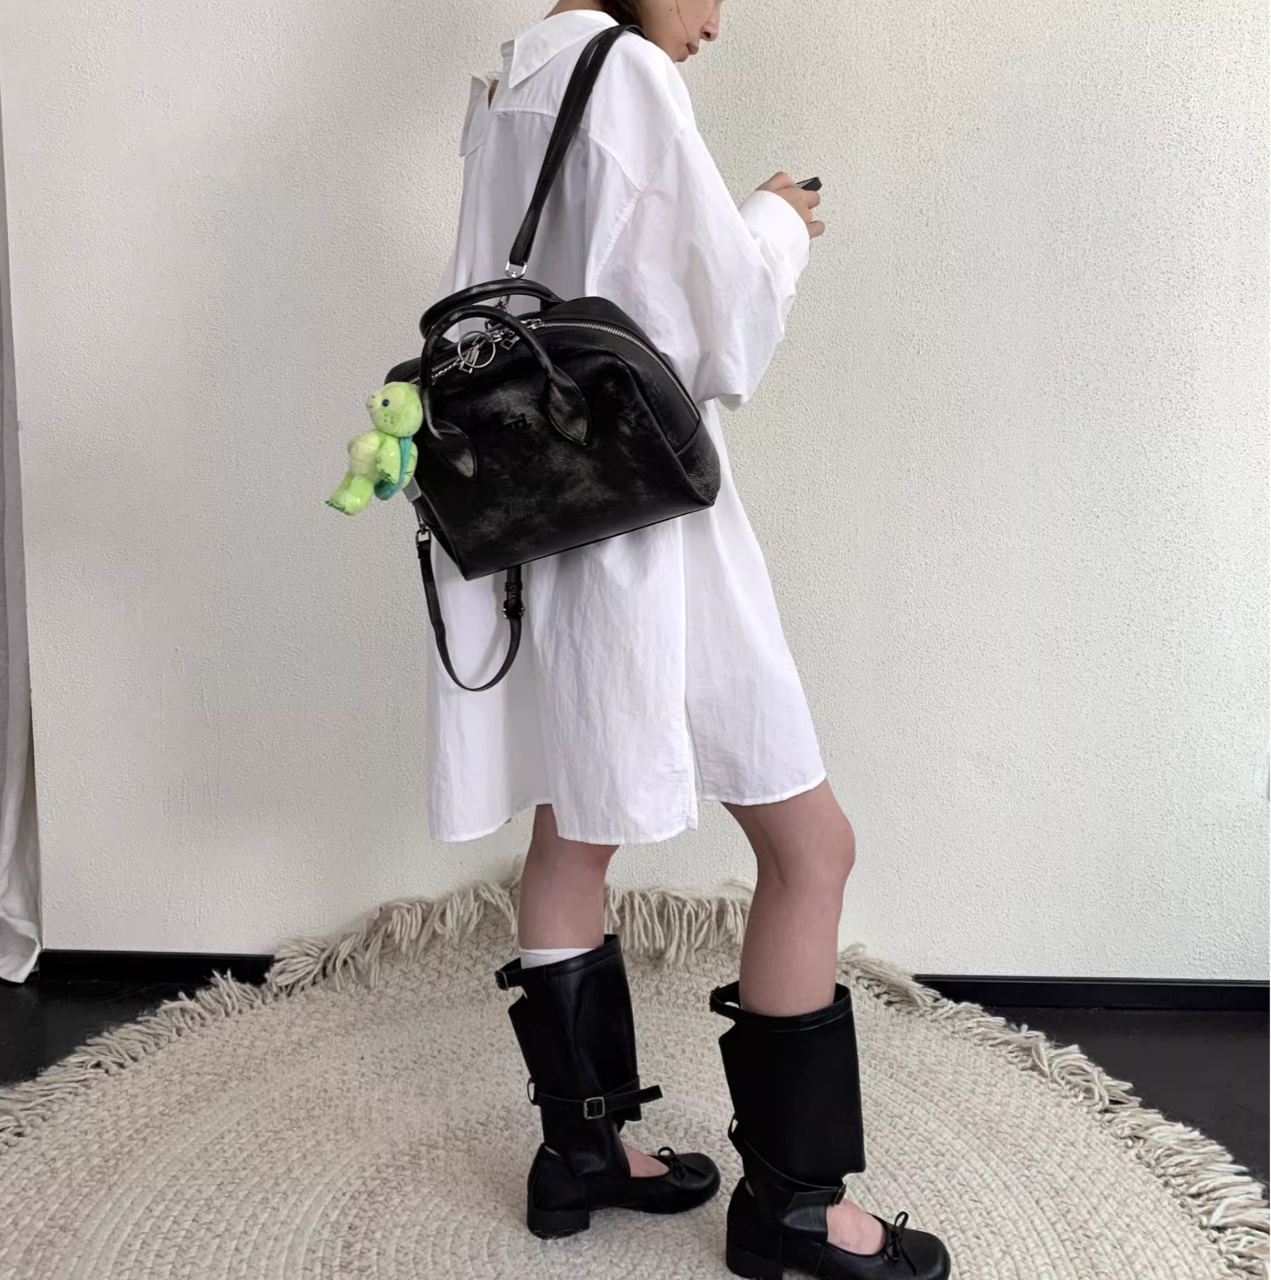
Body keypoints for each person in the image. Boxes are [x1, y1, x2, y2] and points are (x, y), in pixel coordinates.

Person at [424, 3, 952, 1277]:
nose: (717, 15)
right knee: (810, 845)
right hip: (647, 525)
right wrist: (772, 220)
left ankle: (582, 1150)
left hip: (540, 515)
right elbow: (708, 336)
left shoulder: (512, 80)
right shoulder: (626, 77)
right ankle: (793, 1206)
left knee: (572, 821)